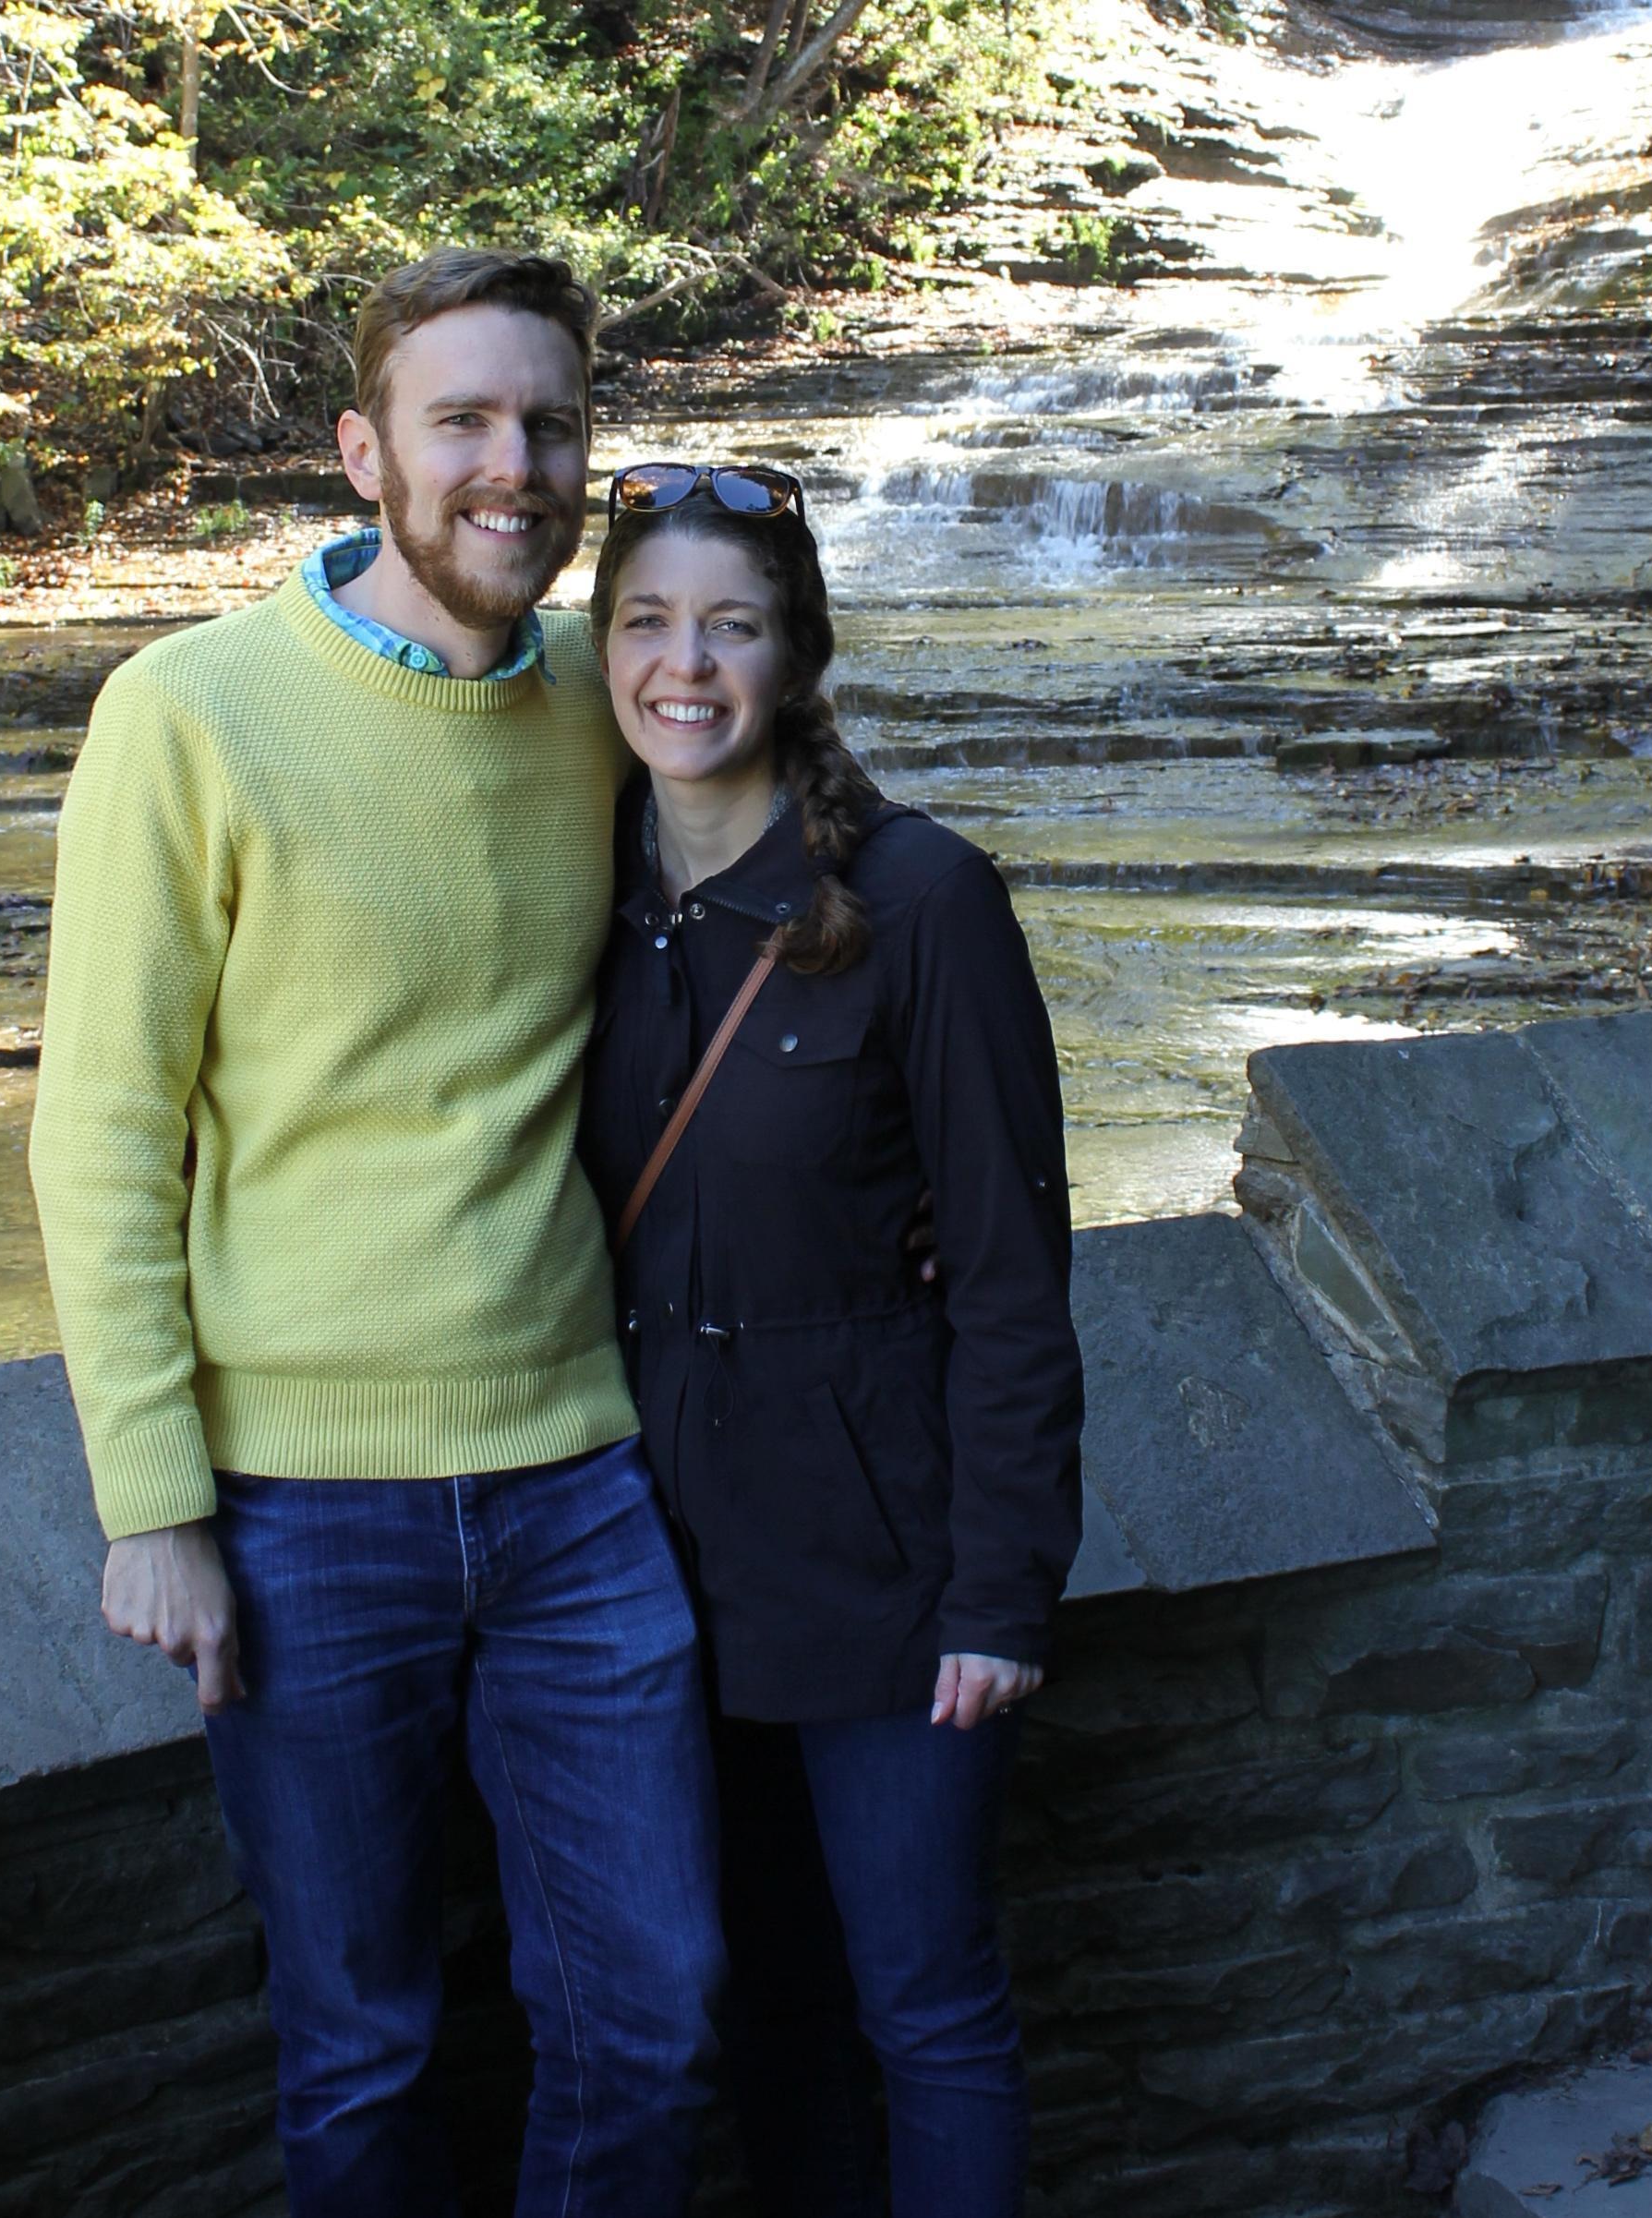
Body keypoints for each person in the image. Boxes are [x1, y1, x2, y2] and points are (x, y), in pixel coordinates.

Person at [27, 250, 723, 2218]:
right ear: (363, 454)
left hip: (581, 1477)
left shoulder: (614, 701)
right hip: (297, 1504)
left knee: (656, 2012)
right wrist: (150, 1495)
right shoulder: (191, 714)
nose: (518, 464)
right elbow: (99, 1125)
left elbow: (789, 929)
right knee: (364, 2048)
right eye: (465, 422)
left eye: (554, 423)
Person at [577, 462, 1086, 2217]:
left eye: (731, 624)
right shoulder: (583, 902)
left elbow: (1015, 1274)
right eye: (647, 620)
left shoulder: (922, 900)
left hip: (886, 1572)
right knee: (768, 2008)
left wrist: (998, 1592)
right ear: (602, 645)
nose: (684, 664)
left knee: (925, 2008)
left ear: (797, 655)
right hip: (650, 1572)